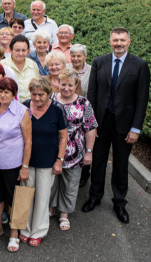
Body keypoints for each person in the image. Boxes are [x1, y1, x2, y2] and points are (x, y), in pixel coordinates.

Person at [82, 28, 150, 224]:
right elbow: (92, 95)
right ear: (109, 41)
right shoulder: (99, 62)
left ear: (129, 42)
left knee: (120, 166)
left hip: (125, 125)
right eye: (115, 40)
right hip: (101, 123)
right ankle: (95, 196)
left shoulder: (139, 65)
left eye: (122, 40)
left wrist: (136, 128)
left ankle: (119, 202)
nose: (118, 43)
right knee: (98, 162)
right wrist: (91, 125)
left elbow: (141, 99)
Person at [0, 77, 32, 253]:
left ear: (14, 94)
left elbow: (28, 142)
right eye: (0, 91)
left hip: (12, 162)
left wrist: (25, 167)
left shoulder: (22, 111)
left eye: (6, 92)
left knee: (14, 197)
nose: (2, 95)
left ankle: (14, 233)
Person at [19, 77, 67, 247]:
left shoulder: (56, 110)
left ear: (49, 94)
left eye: (41, 94)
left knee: (42, 197)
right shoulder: (24, 106)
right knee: (27, 195)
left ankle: (38, 231)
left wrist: (59, 160)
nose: (37, 98)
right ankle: (24, 228)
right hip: (26, 160)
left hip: (48, 161)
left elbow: (63, 136)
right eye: (34, 94)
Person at [50, 69, 97, 231]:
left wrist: (89, 151)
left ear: (76, 84)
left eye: (70, 85)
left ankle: (64, 213)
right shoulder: (51, 99)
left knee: (70, 182)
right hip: (52, 149)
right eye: (63, 84)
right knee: (52, 182)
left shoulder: (84, 103)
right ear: (58, 84)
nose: (66, 88)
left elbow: (91, 128)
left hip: (74, 151)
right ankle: (51, 207)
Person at [1, 35, 40, 102]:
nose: (21, 53)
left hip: (31, 105)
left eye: (24, 50)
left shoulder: (33, 64)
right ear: (10, 50)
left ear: (28, 50)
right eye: (17, 50)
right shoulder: (2, 65)